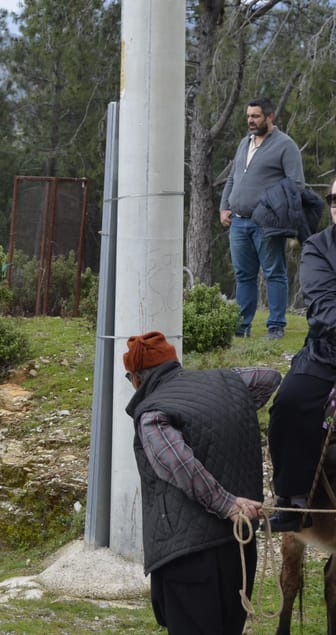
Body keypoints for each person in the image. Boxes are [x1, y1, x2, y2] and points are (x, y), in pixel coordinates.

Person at [122, 331, 280, 635]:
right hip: (237, 546)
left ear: (136, 378)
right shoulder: (226, 383)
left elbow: (179, 465)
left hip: (188, 556)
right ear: (172, 362)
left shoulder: (152, 414)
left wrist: (227, 504)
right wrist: (224, 395)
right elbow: (269, 377)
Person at [265, 177, 336, 532]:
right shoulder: (318, 248)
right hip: (328, 352)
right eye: (334, 199)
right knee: (290, 404)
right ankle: (293, 501)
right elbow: (324, 309)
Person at [219, 97, 305, 340]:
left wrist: (273, 210)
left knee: (273, 273)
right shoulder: (244, 143)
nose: (250, 121)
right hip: (238, 221)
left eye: (255, 116)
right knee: (243, 275)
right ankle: (242, 327)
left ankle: (275, 326)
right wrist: (224, 207)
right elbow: (233, 178)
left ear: (270, 117)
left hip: (266, 224)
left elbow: (296, 184)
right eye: (248, 116)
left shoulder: (285, 145)